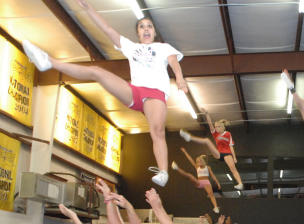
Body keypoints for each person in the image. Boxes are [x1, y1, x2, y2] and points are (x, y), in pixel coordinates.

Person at [22, 0, 187, 187]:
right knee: (97, 72)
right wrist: (88, 8)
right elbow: (107, 30)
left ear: (154, 32)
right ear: (138, 33)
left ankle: (163, 171)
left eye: (149, 26)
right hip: (135, 91)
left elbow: (174, 62)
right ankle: (49, 62)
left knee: (156, 130)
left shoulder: (163, 47)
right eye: (141, 27)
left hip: (155, 93)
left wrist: (179, 78)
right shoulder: (131, 47)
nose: (146, 29)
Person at [180, 109, 244, 190]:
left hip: (227, 153)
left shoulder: (228, 134)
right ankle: (189, 137)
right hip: (219, 153)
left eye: (218, 126)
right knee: (207, 140)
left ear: (222, 127)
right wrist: (207, 114)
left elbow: (231, 146)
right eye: (215, 126)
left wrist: (234, 157)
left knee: (233, 169)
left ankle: (240, 183)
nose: (216, 128)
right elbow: (210, 124)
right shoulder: (215, 134)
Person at [173, 147, 222, 214]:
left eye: (199, 162)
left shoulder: (208, 167)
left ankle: (216, 207)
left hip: (206, 182)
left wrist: (218, 183)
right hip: (199, 182)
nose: (198, 163)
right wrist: (185, 152)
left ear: (202, 161)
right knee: (190, 176)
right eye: (197, 162)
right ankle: (176, 168)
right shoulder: (197, 167)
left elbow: (213, 176)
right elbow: (190, 159)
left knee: (211, 194)